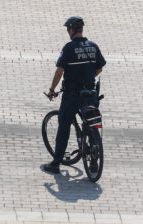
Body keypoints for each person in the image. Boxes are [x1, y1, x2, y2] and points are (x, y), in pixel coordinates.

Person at [42, 16, 106, 174]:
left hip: (72, 95)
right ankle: (93, 161)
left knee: (64, 126)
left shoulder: (69, 48)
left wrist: (52, 89)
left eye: (67, 29)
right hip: (90, 94)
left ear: (71, 30)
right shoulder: (93, 46)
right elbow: (99, 68)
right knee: (91, 123)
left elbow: (59, 70)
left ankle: (56, 163)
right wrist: (88, 76)